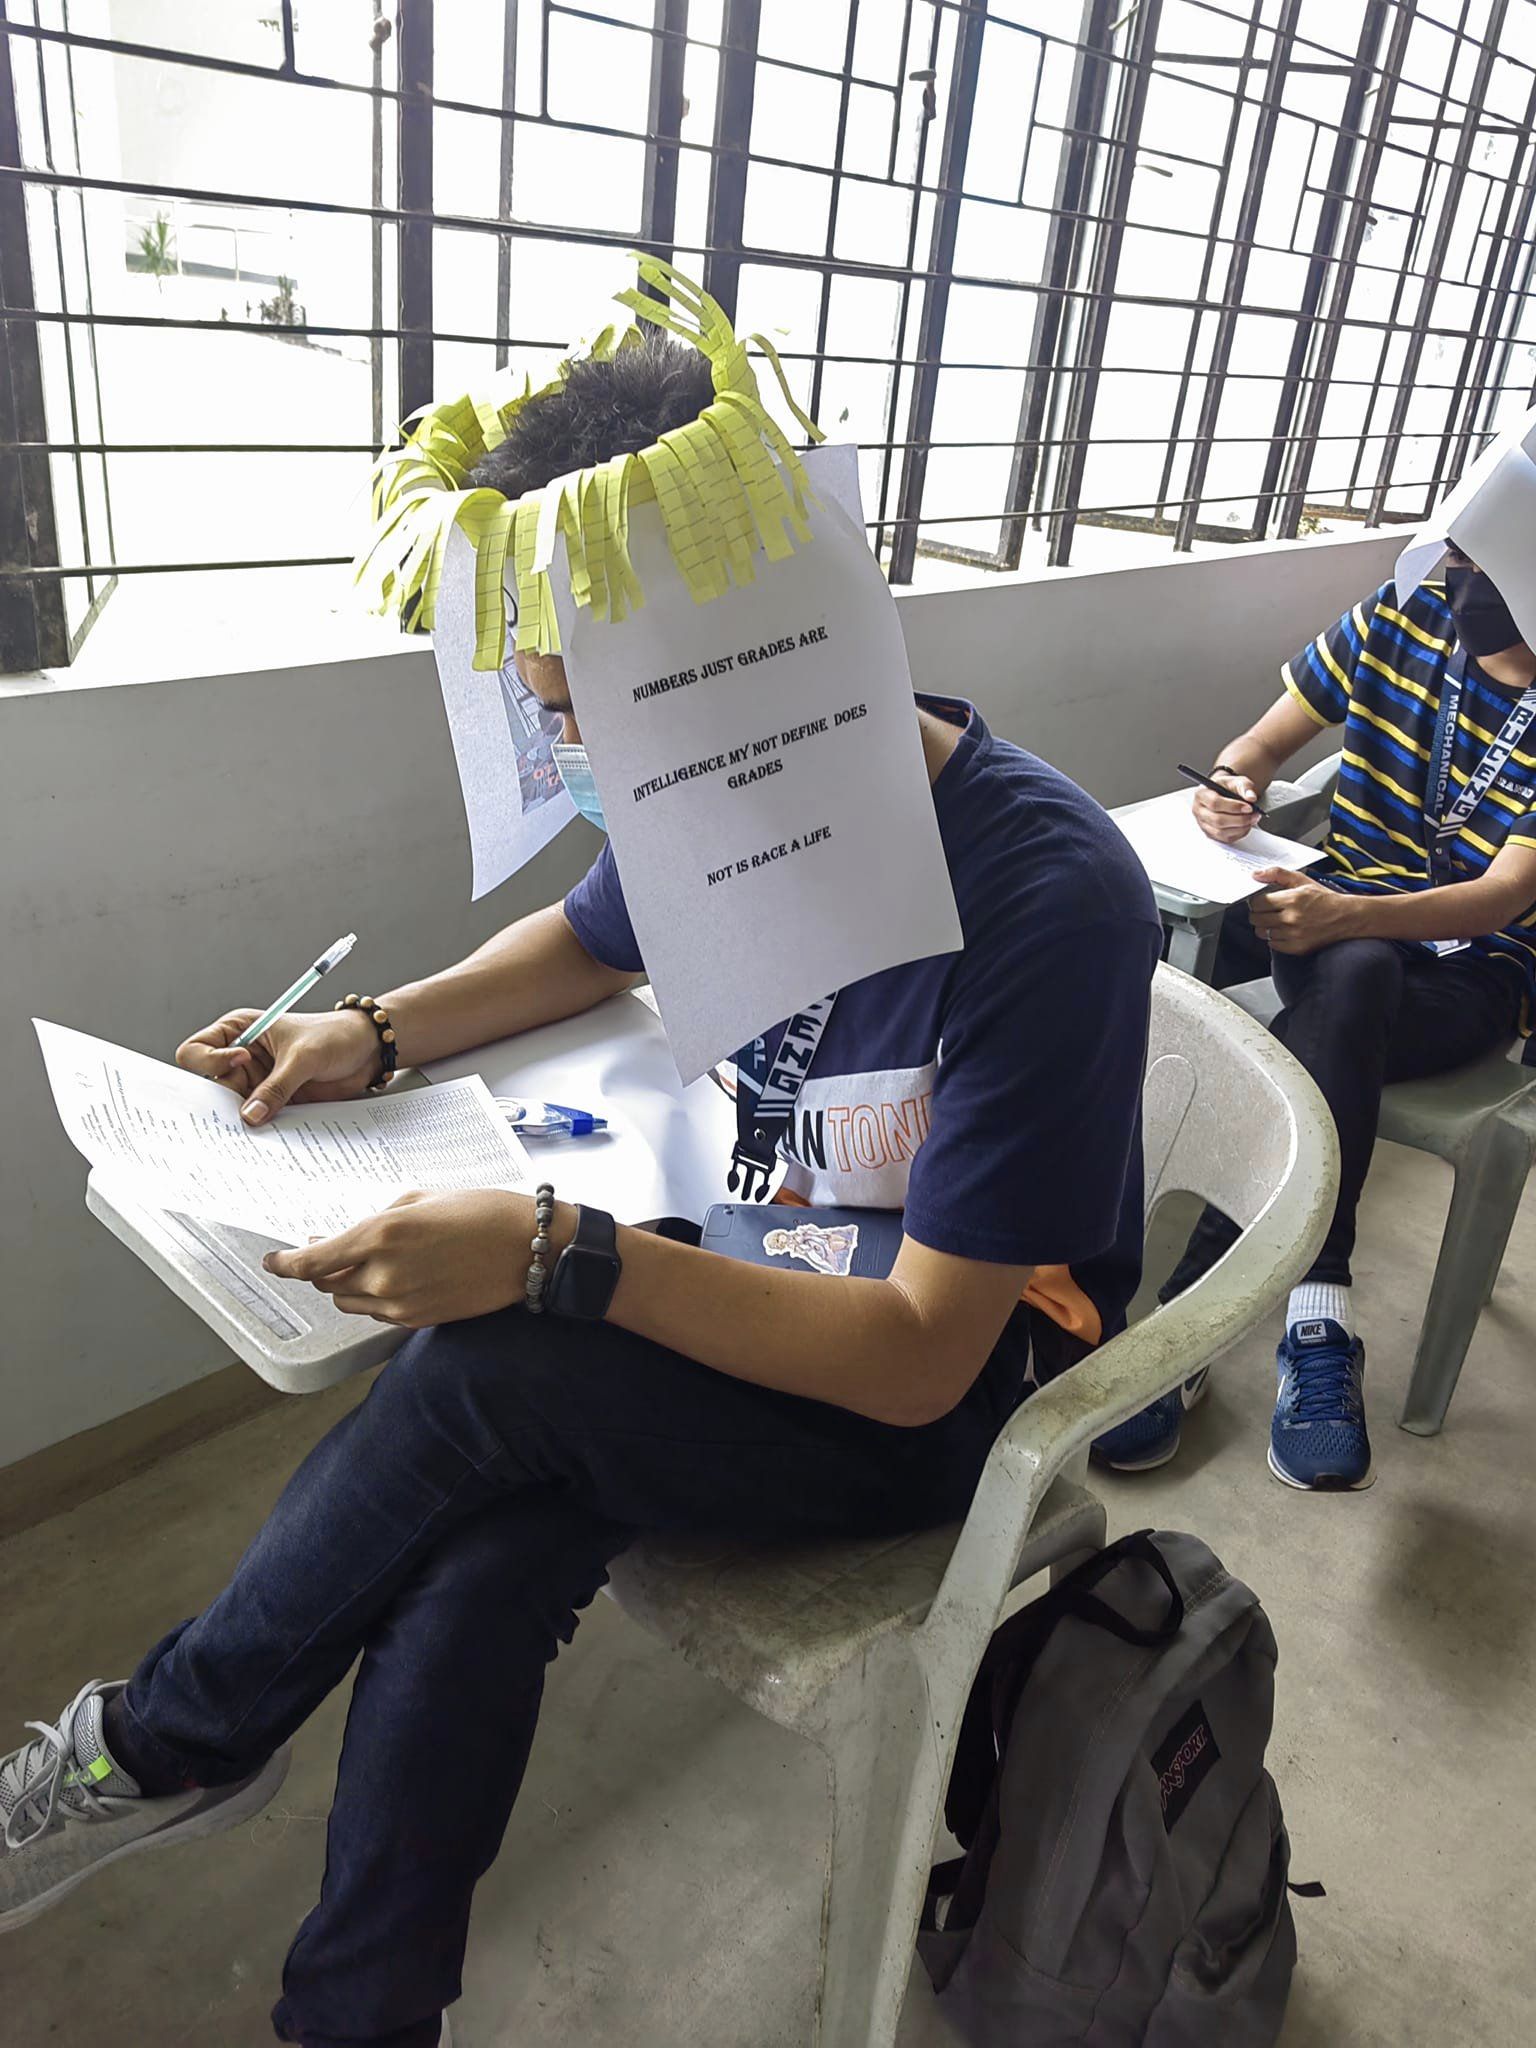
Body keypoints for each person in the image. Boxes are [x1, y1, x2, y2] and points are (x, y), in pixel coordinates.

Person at [1, 331, 1162, 2048]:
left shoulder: (1047, 900)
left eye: (572, 714)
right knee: (473, 1552)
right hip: (759, 1284)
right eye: (544, 709)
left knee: (488, 1363)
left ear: (749, 664)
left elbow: (922, 1355)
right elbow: (584, 940)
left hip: (933, 1398)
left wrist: (560, 1251)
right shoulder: (745, 773)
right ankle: (353, 2014)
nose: (568, 760)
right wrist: (369, 1031)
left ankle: (173, 1731)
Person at [1094, 549, 1536, 1492]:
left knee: (1355, 977)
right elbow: (1256, 746)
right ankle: (1317, 1318)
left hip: (1478, 970)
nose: (1462, 583)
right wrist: (1232, 788)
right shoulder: (1400, 613)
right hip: (1318, 923)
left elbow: (1503, 897)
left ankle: (1188, 1315)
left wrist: (1352, 916)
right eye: (1460, 560)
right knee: (1353, 968)